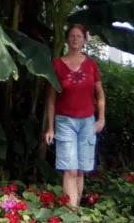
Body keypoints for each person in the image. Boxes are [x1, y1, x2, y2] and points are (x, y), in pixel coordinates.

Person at [45, 23, 106, 207]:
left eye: (79, 36)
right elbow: (51, 99)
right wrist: (50, 127)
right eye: (72, 36)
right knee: (69, 170)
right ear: (67, 39)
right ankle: (70, 213)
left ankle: (76, 209)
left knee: (80, 170)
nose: (75, 39)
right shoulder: (56, 65)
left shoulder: (91, 65)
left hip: (87, 122)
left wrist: (101, 118)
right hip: (64, 122)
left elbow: (100, 94)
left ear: (84, 40)